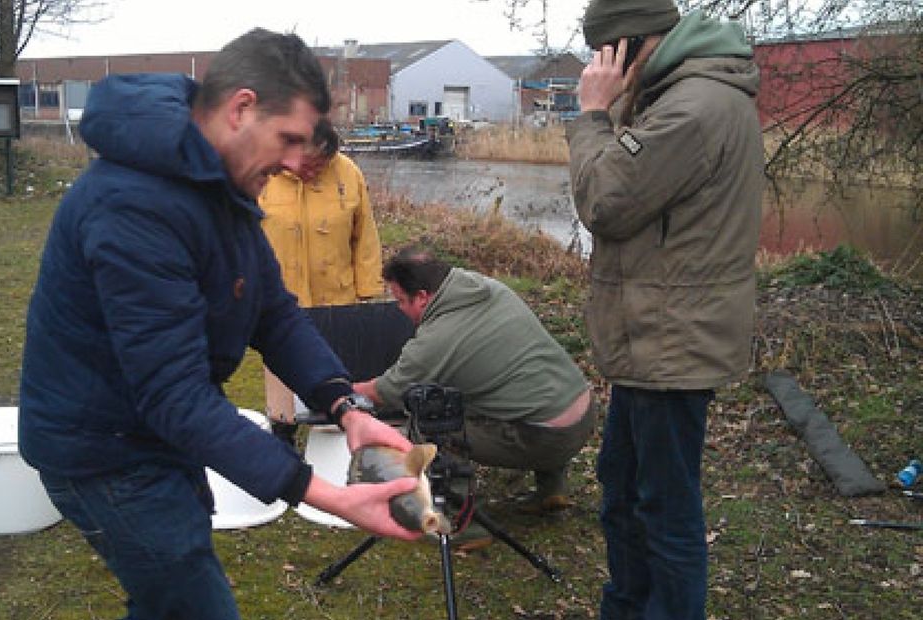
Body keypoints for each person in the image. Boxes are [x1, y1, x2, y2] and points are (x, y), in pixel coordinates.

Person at [18, 28, 420, 620]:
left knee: (169, 595)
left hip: (149, 434)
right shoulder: (133, 204)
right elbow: (173, 394)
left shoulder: (216, 183)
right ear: (241, 109)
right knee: (193, 600)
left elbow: (271, 311)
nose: (293, 162)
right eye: (287, 140)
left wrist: (345, 408)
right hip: (100, 450)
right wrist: (327, 494)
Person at [566, 1, 763, 618]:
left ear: (623, 48)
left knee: (665, 510)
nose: (597, 69)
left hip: (673, 343)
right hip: (653, 339)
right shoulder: (677, 93)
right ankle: (625, 607)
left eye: (603, 55)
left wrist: (595, 113)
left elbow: (605, 200)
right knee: (623, 494)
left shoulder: (693, 108)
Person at [353, 246, 597, 547]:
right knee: (526, 390)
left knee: (430, 421)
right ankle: (552, 487)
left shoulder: (437, 339)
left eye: (401, 301)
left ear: (423, 297)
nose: (399, 308)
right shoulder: (485, 288)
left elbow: (386, 392)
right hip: (583, 412)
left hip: (545, 439)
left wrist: (343, 390)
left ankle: (461, 522)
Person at [257, 119, 383, 436]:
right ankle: (282, 439)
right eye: (307, 162)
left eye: (321, 163)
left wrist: (368, 294)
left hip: (339, 303)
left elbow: (365, 237)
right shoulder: (262, 175)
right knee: (284, 400)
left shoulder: (349, 173)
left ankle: (338, 455)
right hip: (282, 306)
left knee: (335, 391)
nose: (313, 170)